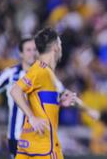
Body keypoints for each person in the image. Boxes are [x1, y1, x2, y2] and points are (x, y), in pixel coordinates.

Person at [10, 27, 76, 159]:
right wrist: (32, 117)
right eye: (60, 44)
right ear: (56, 47)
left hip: (30, 142)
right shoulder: (41, 70)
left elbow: (38, 102)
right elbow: (15, 90)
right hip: (45, 146)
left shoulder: (46, 73)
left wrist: (59, 103)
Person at [0, 38, 37, 158]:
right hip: (18, 136)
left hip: (40, 137)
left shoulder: (45, 74)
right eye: (28, 50)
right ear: (21, 53)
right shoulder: (11, 73)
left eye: (35, 50)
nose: (32, 53)